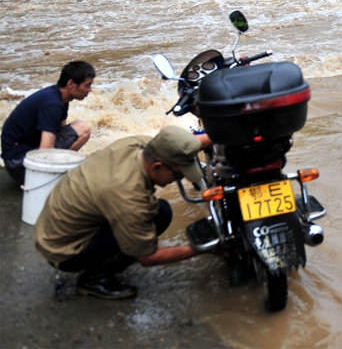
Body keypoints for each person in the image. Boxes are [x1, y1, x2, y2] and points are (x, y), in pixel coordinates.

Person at [34, 126, 210, 300]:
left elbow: (183, 144)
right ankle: (94, 279)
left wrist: (223, 135)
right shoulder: (130, 197)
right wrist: (202, 249)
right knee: (157, 217)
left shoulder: (136, 145)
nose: (179, 179)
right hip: (62, 250)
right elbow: (147, 257)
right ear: (157, 167)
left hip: (54, 226)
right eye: (179, 175)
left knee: (160, 209)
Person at [1, 61, 95, 186]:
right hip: (20, 165)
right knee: (83, 128)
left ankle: (57, 173)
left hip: (21, 158)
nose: (90, 90)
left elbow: (59, 133)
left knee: (79, 127)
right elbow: (46, 149)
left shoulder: (59, 97)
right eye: (87, 85)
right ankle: (51, 177)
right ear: (71, 84)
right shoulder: (52, 104)